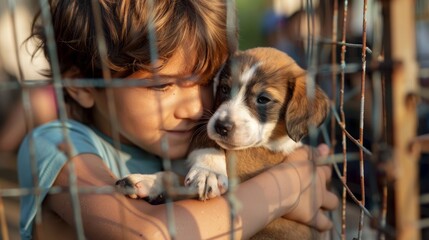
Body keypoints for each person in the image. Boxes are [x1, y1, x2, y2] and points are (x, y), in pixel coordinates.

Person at [17, 1, 339, 239]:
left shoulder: (184, 145)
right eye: (162, 85)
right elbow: (148, 233)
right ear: (81, 87)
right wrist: (284, 190)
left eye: (206, 82)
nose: (195, 107)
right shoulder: (56, 145)